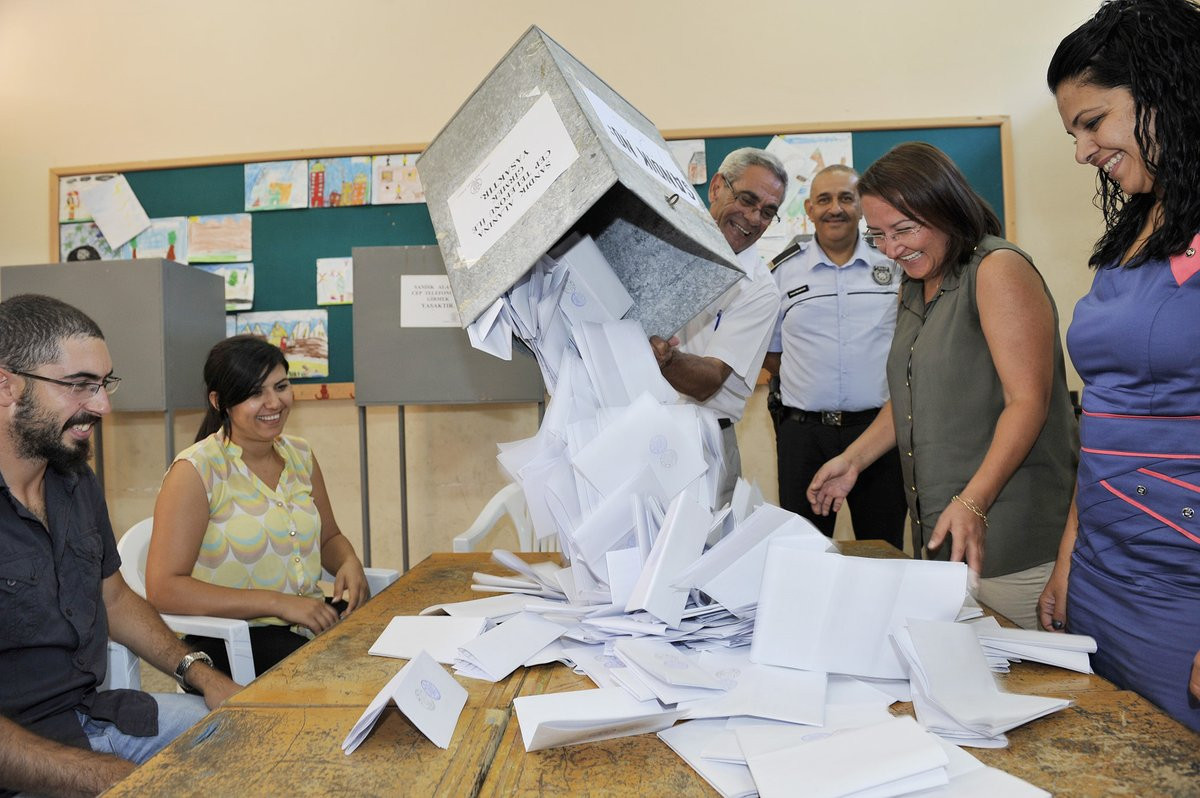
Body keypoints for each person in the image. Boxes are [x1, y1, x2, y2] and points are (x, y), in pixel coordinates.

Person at [807, 142, 1077, 629]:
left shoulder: (998, 270)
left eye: (904, 230)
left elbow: (1027, 402)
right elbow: (912, 397)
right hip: (941, 542)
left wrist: (974, 499)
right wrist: (854, 459)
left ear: (946, 207)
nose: (891, 249)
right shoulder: (916, 282)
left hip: (1010, 546)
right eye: (878, 236)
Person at [0, 294, 239, 797]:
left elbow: (114, 600)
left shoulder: (73, 481)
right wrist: (108, 777)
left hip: (92, 718)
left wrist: (199, 672)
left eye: (104, 384)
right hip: (21, 763)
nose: (103, 405)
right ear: (6, 384)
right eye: (79, 386)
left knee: (254, 734)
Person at [1041, 0, 1200, 732]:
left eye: (1092, 122)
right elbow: (1102, 411)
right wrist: (1072, 553)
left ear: (1165, 91)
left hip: (1183, 589)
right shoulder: (1140, 227)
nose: (1081, 150)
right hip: (1106, 572)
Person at [145, 335, 369, 677]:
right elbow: (164, 589)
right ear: (220, 401)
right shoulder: (196, 470)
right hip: (233, 639)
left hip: (304, 621)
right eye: (254, 393)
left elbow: (329, 539)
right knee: (350, 676)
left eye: (280, 386)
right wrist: (278, 604)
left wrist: (348, 560)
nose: (273, 402)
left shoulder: (300, 455)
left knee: (387, 651)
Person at [762, 165, 906, 548]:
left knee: (883, 545)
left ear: (862, 206)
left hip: (878, 432)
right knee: (805, 549)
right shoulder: (782, 272)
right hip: (803, 436)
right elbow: (773, 354)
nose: (835, 208)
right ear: (809, 209)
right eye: (824, 199)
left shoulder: (893, 264)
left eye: (846, 197)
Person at [650, 148, 785, 507]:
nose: (754, 218)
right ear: (715, 188)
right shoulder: (662, 236)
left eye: (768, 212)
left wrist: (663, 357)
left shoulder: (759, 288)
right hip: (631, 430)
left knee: (704, 551)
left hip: (704, 442)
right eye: (746, 200)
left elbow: (709, 381)